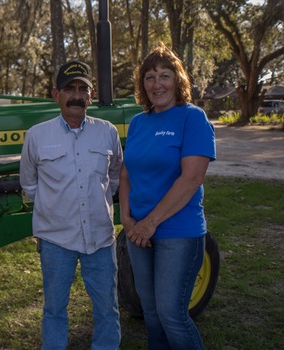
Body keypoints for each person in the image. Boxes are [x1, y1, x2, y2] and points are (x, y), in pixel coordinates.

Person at [119, 43, 216, 349]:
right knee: (150, 312)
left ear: (178, 80)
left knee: (172, 314)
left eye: (164, 75)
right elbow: (125, 175)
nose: (156, 84)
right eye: (149, 77)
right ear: (142, 84)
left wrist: (150, 223)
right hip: (138, 233)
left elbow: (192, 179)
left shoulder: (192, 118)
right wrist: (127, 219)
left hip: (178, 231)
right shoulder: (138, 123)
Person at [20, 60, 122, 350]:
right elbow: (29, 184)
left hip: (100, 239)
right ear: (56, 95)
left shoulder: (107, 133)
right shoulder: (37, 136)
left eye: (83, 89)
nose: (76, 95)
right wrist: (55, 210)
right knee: (54, 310)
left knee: (107, 309)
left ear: (90, 96)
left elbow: (114, 177)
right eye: (69, 89)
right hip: (56, 240)